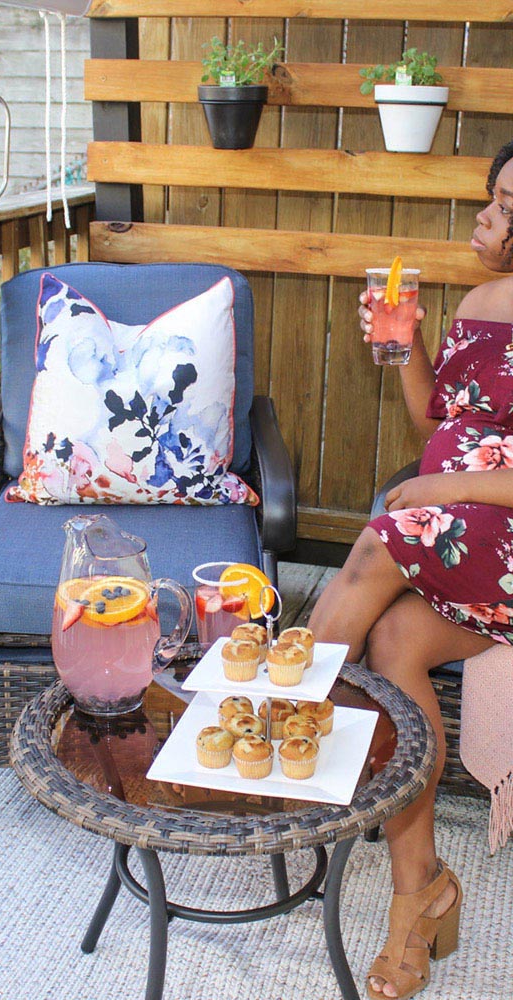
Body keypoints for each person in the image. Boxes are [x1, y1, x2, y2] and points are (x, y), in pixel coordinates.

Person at [308, 137, 513, 1000]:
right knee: (391, 640)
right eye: (493, 199)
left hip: (503, 534)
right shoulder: (482, 297)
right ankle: (418, 895)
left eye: (507, 210)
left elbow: (462, 465)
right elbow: (440, 411)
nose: (487, 217)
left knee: (378, 539)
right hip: (462, 531)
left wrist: (431, 484)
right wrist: (405, 349)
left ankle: (274, 722)